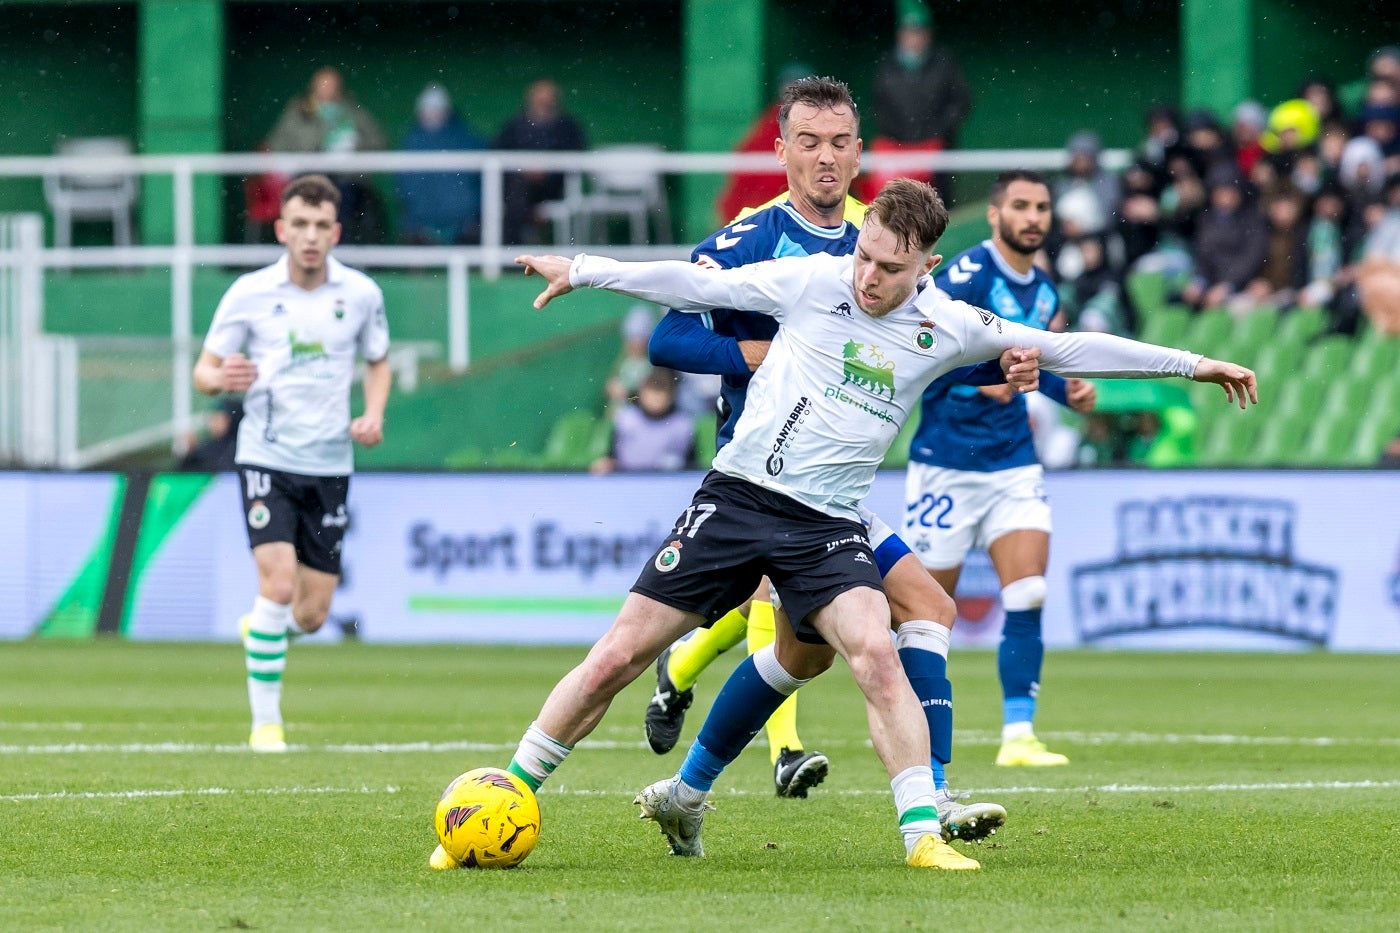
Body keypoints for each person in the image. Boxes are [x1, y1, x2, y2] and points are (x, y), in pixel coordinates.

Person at [487, 178, 1255, 874]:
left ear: (926, 263)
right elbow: (693, 283)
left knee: (876, 656)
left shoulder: (951, 324)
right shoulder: (814, 279)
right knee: (617, 655)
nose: (868, 276)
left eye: (889, 267)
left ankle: (921, 832)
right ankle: (503, 791)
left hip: (828, 526)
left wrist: (1192, 364)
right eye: (865, 256)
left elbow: (1068, 347)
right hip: (738, 498)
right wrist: (582, 269)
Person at [644, 78, 1010, 825]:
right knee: (839, 621)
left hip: (836, 483)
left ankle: (685, 778)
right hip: (762, 470)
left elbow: (930, 335)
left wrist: (1005, 363)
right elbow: (666, 336)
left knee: (805, 651)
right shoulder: (750, 235)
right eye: (808, 143)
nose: (825, 158)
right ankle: (920, 790)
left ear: (859, 151)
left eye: (839, 143)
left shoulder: (875, 238)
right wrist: (747, 350)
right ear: (781, 151)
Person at [903, 170, 1097, 767]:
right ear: (995, 215)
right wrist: (977, 382)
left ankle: (1018, 735)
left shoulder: (1043, 290)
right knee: (928, 619)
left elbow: (1041, 365)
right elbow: (919, 352)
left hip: (1013, 463)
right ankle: (920, 748)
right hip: (945, 466)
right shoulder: (964, 276)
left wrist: (1070, 393)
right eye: (1020, 206)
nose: (1032, 216)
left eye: (1041, 206)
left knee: (1030, 591)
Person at [192, 174, 391, 753]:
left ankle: (263, 631)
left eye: (320, 226)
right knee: (276, 584)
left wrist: (373, 413)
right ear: (281, 229)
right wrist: (217, 379)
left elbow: (377, 361)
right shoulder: (249, 292)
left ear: (336, 231)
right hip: (265, 456)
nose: (309, 236)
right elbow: (202, 371)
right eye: (298, 224)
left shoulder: (360, 294)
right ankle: (266, 726)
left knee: (308, 615)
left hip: (331, 464)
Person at [267, 67, 388, 244]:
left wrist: (354, 145)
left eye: (332, 85)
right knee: (305, 211)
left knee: (346, 208)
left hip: (345, 179)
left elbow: (379, 141)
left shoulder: (351, 111)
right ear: (313, 87)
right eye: (322, 85)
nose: (327, 90)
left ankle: (342, 252)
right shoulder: (299, 111)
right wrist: (310, 148)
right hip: (306, 177)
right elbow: (276, 144)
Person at [865, 0, 971, 203]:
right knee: (896, 204)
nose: (915, 38)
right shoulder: (887, 66)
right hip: (897, 147)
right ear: (900, 34)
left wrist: (935, 132)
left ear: (928, 34)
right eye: (909, 31)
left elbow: (961, 102)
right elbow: (879, 107)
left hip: (938, 149)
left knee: (936, 206)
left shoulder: (944, 63)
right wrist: (901, 138)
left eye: (920, 31)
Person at [714, 62, 815, 226]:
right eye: (790, 85)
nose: (793, 91)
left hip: (805, 206)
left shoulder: (820, 120)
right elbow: (744, 164)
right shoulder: (772, 120)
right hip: (767, 208)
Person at [495, 78, 588, 244]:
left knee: (516, 196)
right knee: (516, 190)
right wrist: (522, 169)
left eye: (547, 100)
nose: (543, 104)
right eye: (539, 99)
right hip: (517, 187)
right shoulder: (514, 126)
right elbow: (498, 154)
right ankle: (516, 246)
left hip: (553, 188)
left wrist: (548, 172)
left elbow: (577, 159)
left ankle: (513, 249)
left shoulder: (568, 127)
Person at [395, 83, 488, 245]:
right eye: (428, 110)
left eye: (437, 109)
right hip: (420, 219)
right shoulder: (412, 141)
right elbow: (405, 186)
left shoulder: (465, 139)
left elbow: (478, 183)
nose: (432, 114)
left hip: (463, 220)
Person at [591, 367, 695, 474]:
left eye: (661, 392)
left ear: (671, 396)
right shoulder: (625, 418)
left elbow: (691, 464)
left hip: (667, 481)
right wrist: (607, 463)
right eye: (651, 391)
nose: (655, 398)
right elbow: (612, 455)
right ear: (641, 393)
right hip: (626, 480)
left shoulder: (682, 424)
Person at [178, 398, 243, 472]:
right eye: (213, 418)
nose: (214, 423)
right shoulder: (206, 448)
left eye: (219, 418)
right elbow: (186, 476)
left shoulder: (243, 447)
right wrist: (190, 454)